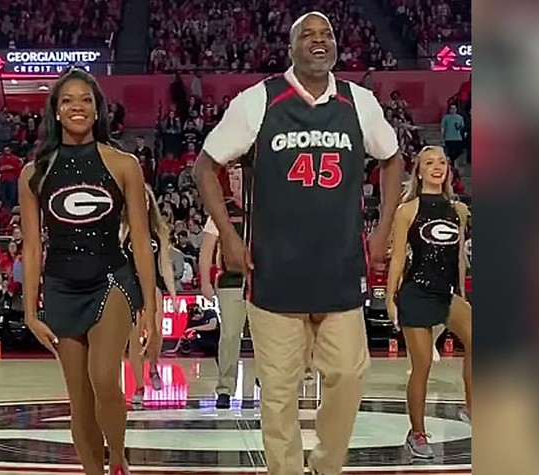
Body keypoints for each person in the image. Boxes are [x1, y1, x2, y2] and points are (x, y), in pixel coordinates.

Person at [192, 12, 403, 475]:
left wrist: (384, 226)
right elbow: (204, 166)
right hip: (274, 274)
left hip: (341, 271)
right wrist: (228, 234)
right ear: (291, 47)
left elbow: (391, 158)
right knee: (280, 394)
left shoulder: (358, 102)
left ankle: (325, 466)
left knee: (347, 377)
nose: (318, 41)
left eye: (326, 34)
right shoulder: (259, 100)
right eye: (307, 35)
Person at [19, 68, 159, 475]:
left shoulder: (124, 164)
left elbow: (140, 240)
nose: (77, 106)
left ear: (98, 109)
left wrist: (150, 305)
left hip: (111, 279)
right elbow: (32, 246)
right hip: (61, 287)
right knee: (78, 399)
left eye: (85, 99)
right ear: (56, 111)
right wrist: (30, 311)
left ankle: (117, 458)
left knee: (104, 380)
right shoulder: (35, 173)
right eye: (68, 100)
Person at [385, 146, 472, 458]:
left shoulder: (458, 210)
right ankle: (417, 433)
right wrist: (390, 299)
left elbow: (459, 257)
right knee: (421, 366)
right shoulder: (407, 210)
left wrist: (461, 292)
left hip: (446, 294)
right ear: (419, 172)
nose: (437, 167)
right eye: (429, 163)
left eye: (442, 162)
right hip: (416, 292)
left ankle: (472, 406)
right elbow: (396, 261)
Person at [197, 162, 252, 408]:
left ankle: (267, 382)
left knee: (267, 336)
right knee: (230, 336)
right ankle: (225, 389)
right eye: (233, 178)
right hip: (230, 281)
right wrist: (206, 283)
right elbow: (206, 249)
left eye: (240, 178)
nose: (236, 182)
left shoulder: (262, 209)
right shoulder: (222, 211)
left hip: (261, 281)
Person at [120, 187, 177, 409]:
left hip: (153, 283)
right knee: (133, 339)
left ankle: (153, 365)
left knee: (156, 331)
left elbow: (165, 263)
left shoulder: (158, 230)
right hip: (130, 284)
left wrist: (171, 292)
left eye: (144, 199)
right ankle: (139, 386)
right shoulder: (123, 228)